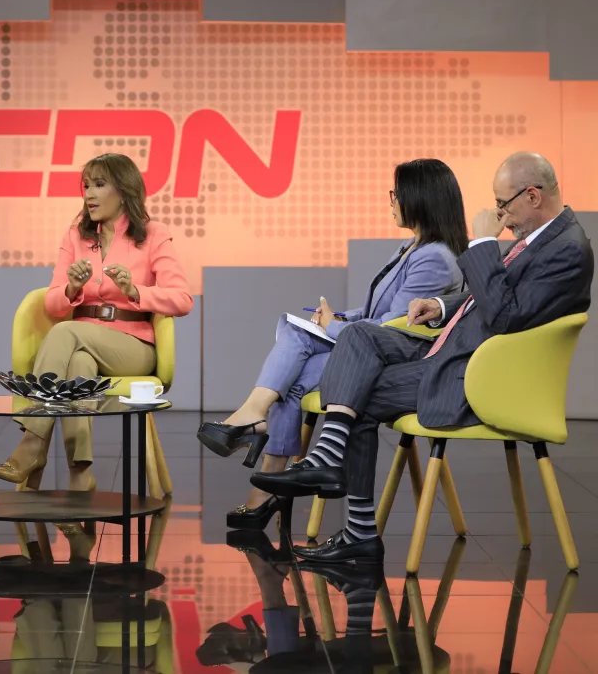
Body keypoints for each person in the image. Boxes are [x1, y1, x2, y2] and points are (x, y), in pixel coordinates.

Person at [251, 152, 594, 564]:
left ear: (533, 196)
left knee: (358, 393)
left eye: (503, 204)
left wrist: (484, 243)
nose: (500, 215)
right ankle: (331, 464)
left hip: (478, 378)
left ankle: (354, 522)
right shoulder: (541, 240)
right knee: (359, 334)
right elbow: (493, 298)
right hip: (452, 350)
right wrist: (441, 305)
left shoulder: (568, 250)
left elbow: (504, 317)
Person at [197, 159, 468, 532]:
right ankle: (257, 434)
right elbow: (375, 311)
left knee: (294, 373)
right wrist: (339, 316)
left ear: (420, 197)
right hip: (372, 344)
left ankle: (255, 437)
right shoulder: (410, 247)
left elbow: (397, 327)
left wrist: (335, 327)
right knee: (294, 336)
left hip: (391, 359)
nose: (391, 201)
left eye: (396, 193)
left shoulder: (434, 257)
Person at [0, 153, 193, 493]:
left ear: (124, 190)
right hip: (81, 342)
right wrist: (71, 287)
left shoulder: (153, 235)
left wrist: (135, 290)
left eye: (99, 185)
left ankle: (32, 442)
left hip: (133, 346)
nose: (89, 194)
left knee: (66, 332)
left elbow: (182, 299)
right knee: (78, 365)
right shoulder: (76, 236)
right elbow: (52, 302)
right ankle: (80, 475)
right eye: (86, 186)